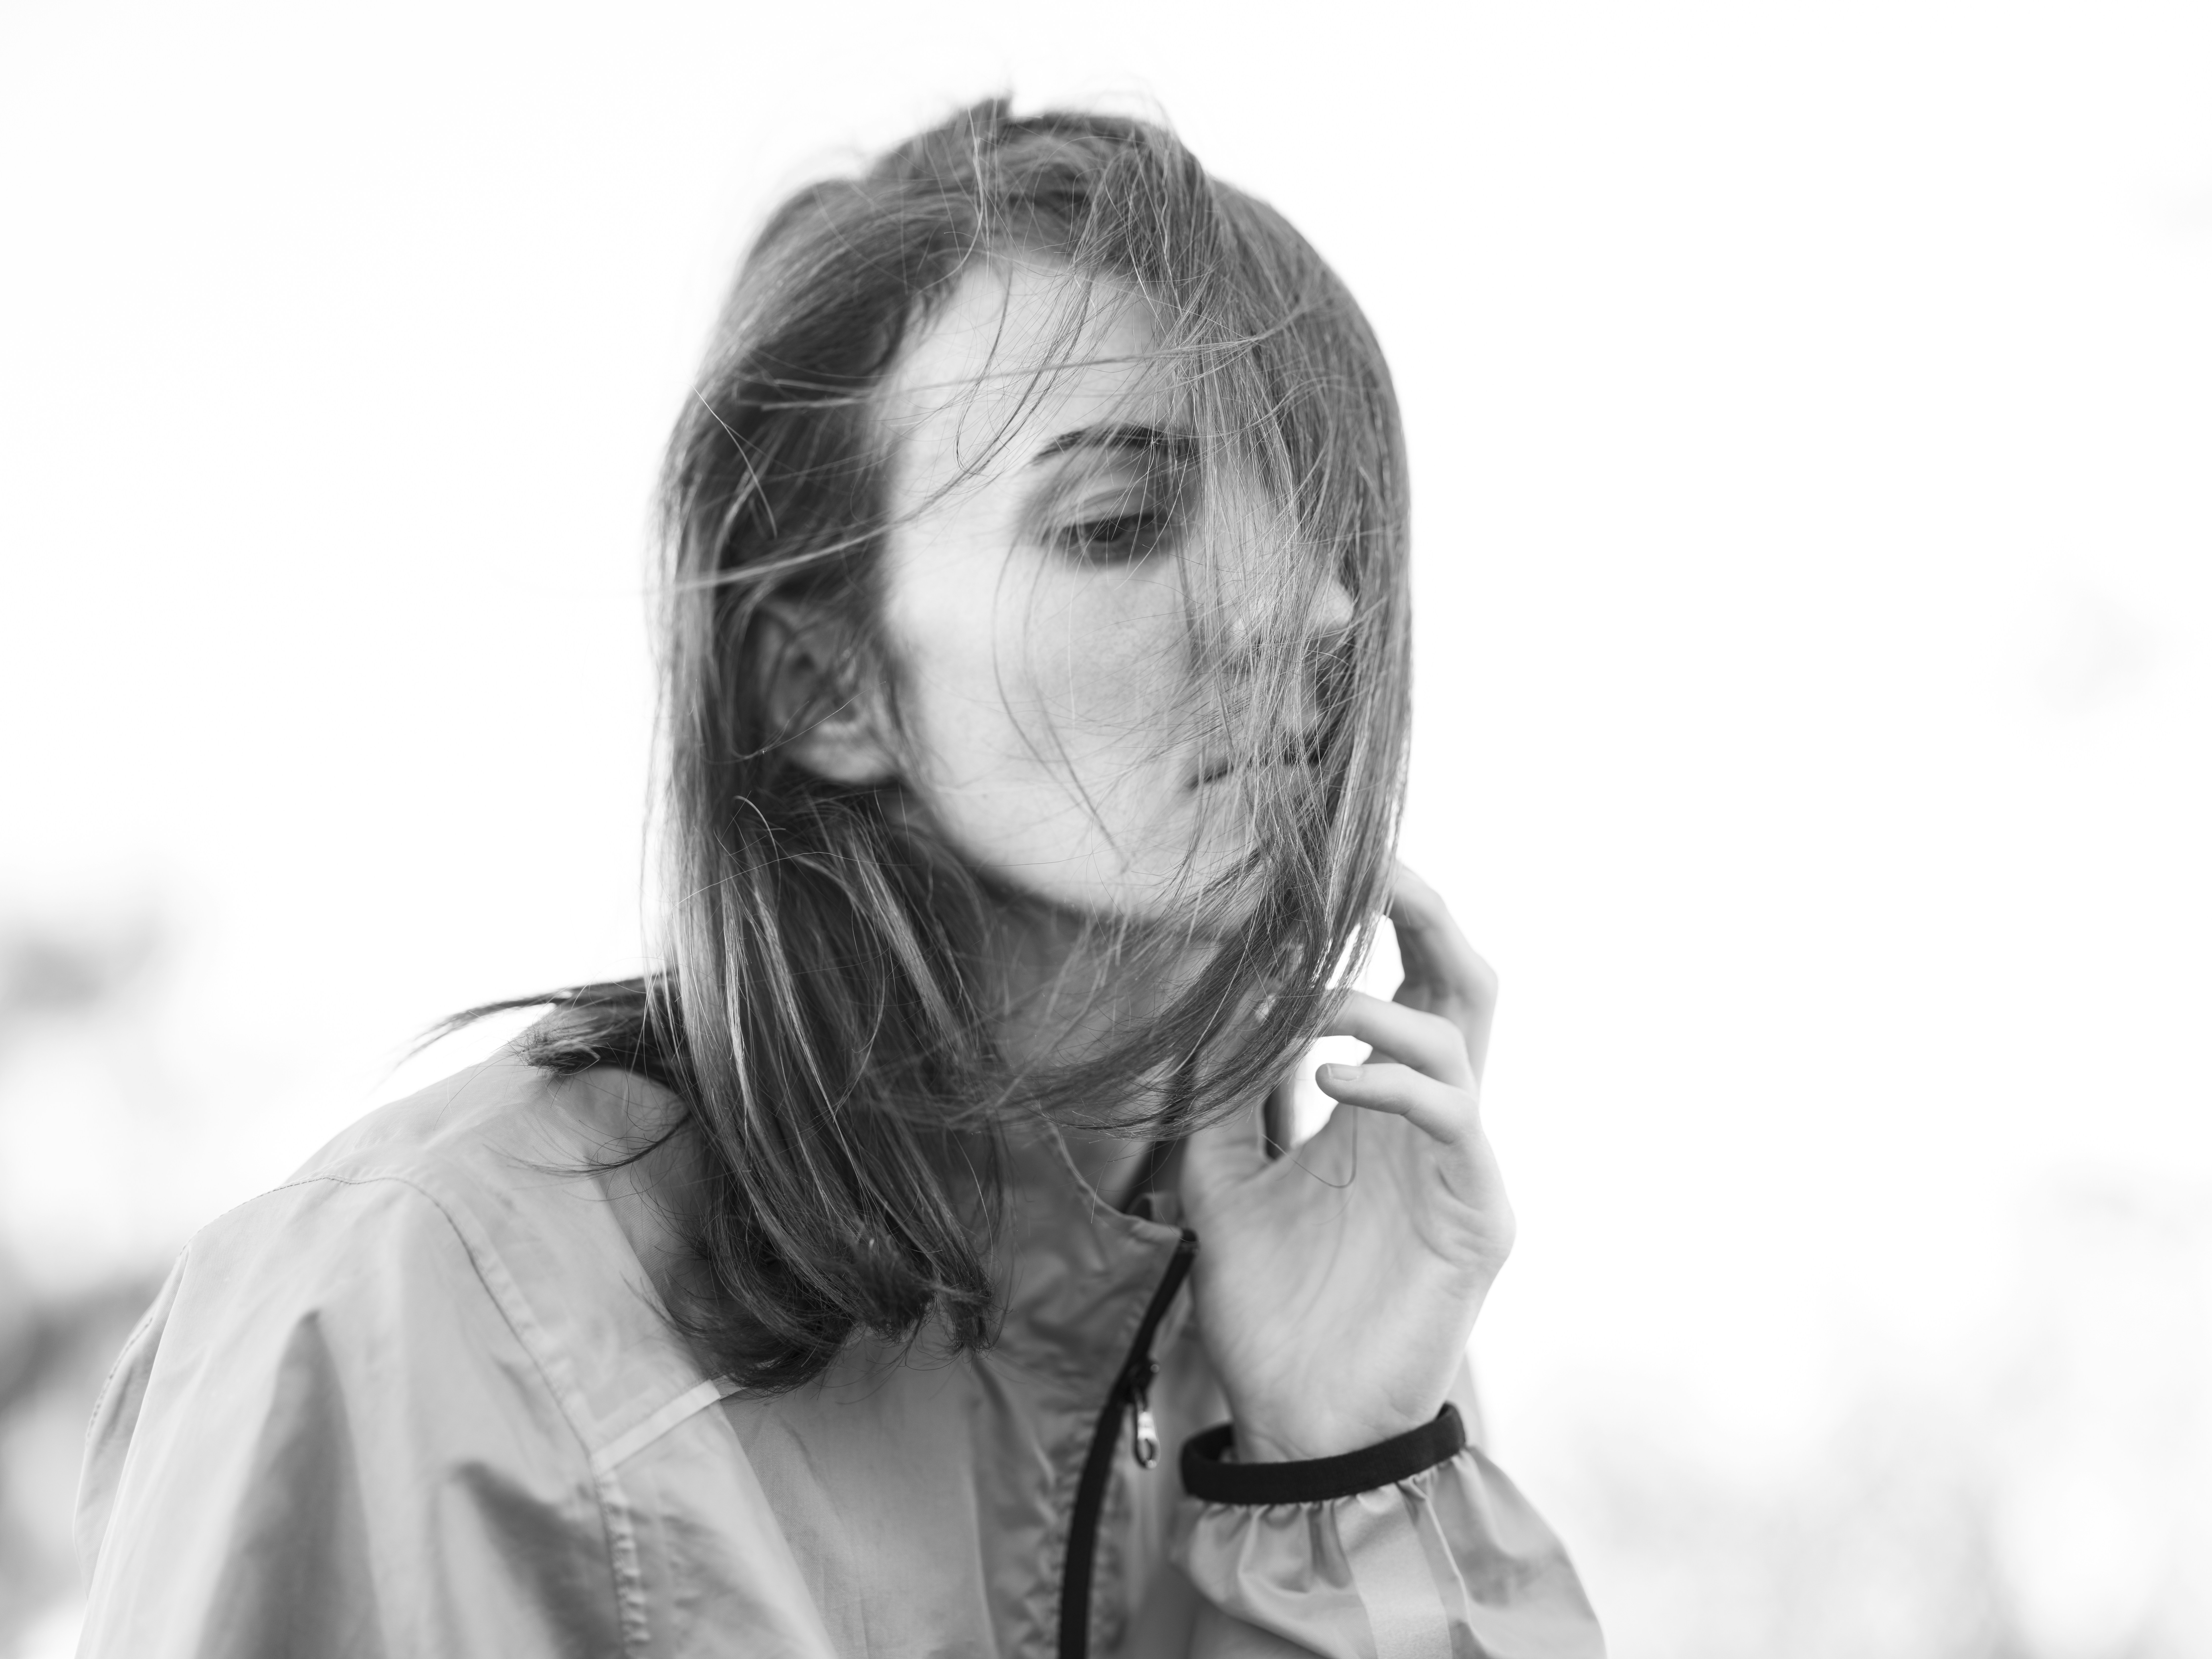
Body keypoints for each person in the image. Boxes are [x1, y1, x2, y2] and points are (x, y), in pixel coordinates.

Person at [73, 102, 1604, 1658]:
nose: (1316, 605)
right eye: (1121, 521)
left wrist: (1341, 1468)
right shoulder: (414, 1315)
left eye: (1328, 516)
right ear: (828, 683)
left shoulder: (1300, 1303)